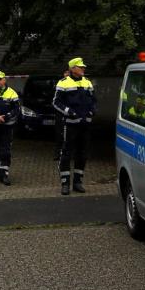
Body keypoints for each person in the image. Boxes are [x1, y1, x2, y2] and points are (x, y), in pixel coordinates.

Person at [53, 57, 95, 195]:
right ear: (72, 69)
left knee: (82, 153)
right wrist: (69, 112)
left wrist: (91, 112)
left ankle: (78, 182)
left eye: (83, 67)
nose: (83, 68)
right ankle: (65, 183)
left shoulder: (87, 82)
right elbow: (56, 102)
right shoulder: (63, 83)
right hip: (70, 125)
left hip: (85, 125)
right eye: (80, 67)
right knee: (66, 153)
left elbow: (93, 101)